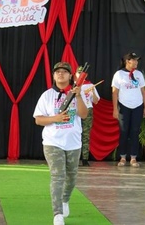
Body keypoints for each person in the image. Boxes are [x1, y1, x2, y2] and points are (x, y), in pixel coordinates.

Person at [33, 61, 88, 225]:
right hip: (52, 142)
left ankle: (65, 200)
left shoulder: (78, 93)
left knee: (71, 178)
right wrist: (55, 119)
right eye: (58, 72)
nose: (61, 74)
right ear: (53, 75)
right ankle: (57, 214)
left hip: (73, 143)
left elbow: (84, 115)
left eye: (65, 71)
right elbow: (38, 120)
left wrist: (78, 95)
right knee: (58, 176)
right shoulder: (47, 95)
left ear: (71, 75)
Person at [112, 52, 145, 167]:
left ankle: (133, 157)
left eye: (137, 60)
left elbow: (143, 91)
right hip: (124, 106)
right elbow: (114, 92)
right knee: (123, 132)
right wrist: (115, 109)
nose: (136, 62)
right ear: (128, 61)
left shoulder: (139, 74)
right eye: (134, 60)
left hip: (137, 106)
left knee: (135, 132)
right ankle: (122, 157)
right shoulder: (119, 74)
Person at [75, 66, 100, 166]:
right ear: (75, 74)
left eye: (82, 73)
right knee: (74, 134)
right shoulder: (73, 85)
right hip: (75, 111)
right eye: (79, 73)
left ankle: (85, 158)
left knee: (85, 135)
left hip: (88, 110)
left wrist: (93, 91)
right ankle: (74, 158)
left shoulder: (90, 85)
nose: (80, 75)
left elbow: (96, 101)